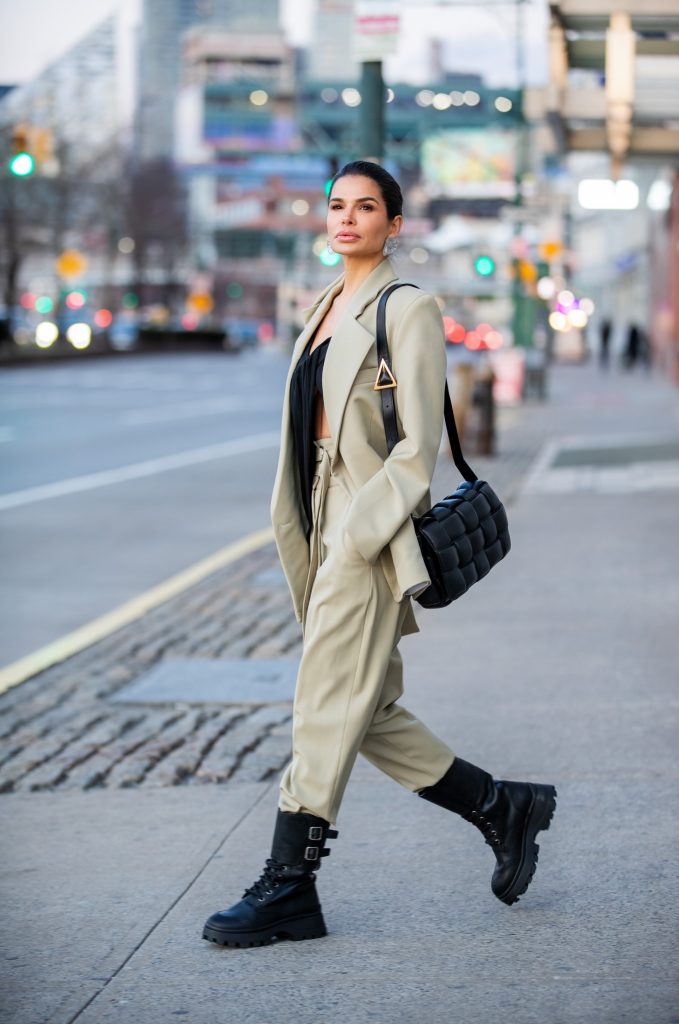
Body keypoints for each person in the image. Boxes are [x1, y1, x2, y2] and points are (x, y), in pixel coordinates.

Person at [202, 161, 557, 949]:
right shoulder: (326, 304)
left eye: (366, 208)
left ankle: (290, 885)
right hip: (318, 516)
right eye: (336, 206)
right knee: (366, 709)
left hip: (367, 526)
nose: (347, 218)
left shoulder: (408, 306)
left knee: (323, 700)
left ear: (394, 224)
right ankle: (501, 806)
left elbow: (416, 448)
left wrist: (360, 540)